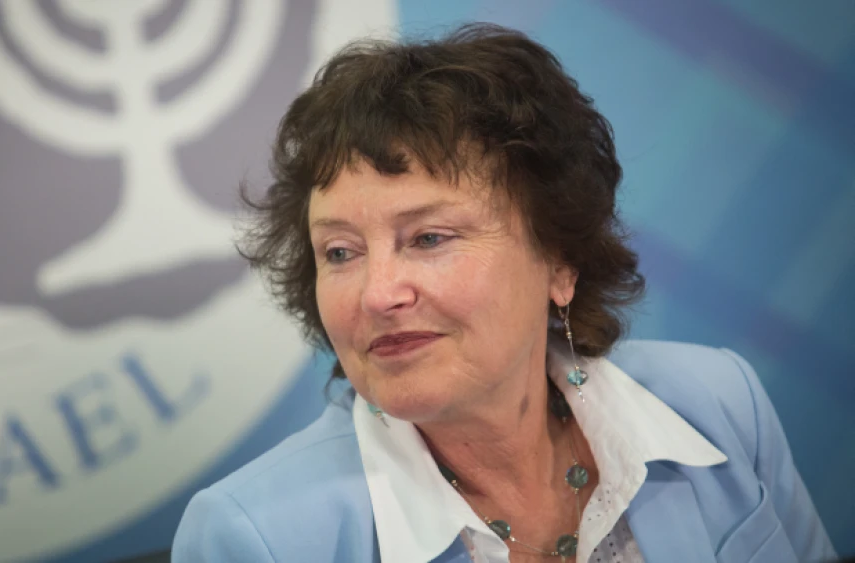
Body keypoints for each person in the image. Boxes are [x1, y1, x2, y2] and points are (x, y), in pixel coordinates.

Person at [171, 23, 836, 563]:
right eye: (340, 252)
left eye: (428, 237)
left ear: (558, 260)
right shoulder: (253, 538)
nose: (377, 293)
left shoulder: (719, 403)